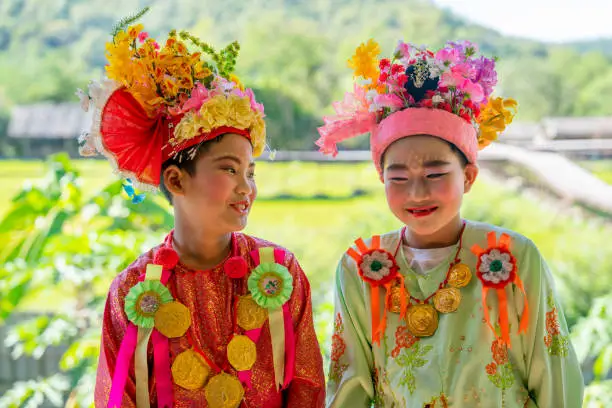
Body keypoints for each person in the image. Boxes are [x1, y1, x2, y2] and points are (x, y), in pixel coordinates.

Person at [316, 38, 583, 407]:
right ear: (381, 179)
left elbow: (554, 376)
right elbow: (349, 388)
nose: (416, 192)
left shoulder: (514, 257)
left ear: (469, 177)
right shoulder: (361, 267)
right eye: (398, 178)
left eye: (435, 173)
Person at [78, 17, 325, 408]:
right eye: (229, 169)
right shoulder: (132, 290)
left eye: (250, 172)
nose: (246, 187)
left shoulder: (280, 271)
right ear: (176, 181)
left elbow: (307, 388)